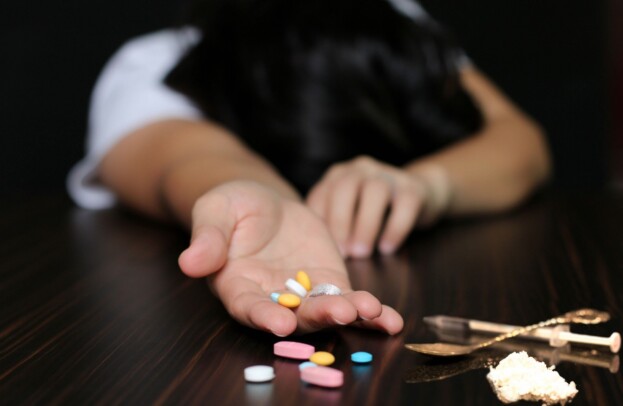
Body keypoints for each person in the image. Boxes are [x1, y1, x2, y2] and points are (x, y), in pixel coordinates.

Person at [67, 0, 551, 337]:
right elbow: (187, 156)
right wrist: (261, 194)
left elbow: (521, 142)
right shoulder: (152, 65)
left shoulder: (393, 18)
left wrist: (428, 185)